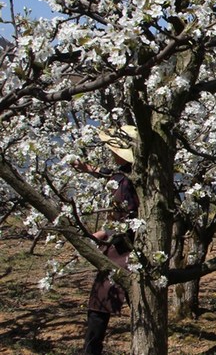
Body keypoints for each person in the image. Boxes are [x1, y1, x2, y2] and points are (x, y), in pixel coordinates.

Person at [72, 125, 140, 355]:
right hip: (120, 248)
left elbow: (130, 216)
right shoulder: (127, 173)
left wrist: (103, 234)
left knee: (99, 304)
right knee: (104, 303)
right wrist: (88, 169)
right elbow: (111, 174)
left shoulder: (131, 179)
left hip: (124, 251)